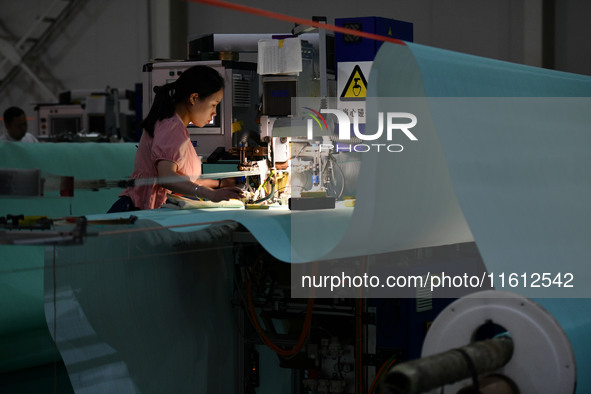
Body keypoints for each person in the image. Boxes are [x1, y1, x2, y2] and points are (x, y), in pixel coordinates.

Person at [107, 65, 243, 212]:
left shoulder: (173, 125)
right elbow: (167, 178)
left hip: (140, 210)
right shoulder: (170, 128)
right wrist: (211, 194)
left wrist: (220, 184)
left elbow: (182, 180)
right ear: (194, 98)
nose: (214, 113)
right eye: (213, 105)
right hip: (135, 212)